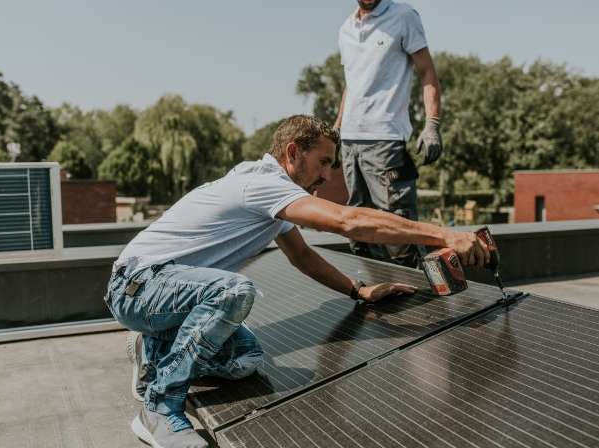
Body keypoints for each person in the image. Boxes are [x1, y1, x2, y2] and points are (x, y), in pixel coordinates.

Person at [104, 115, 488, 448]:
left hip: (159, 292)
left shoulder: (268, 193)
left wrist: (359, 290)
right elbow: (348, 221)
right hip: (137, 285)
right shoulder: (263, 183)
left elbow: (302, 256)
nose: (326, 175)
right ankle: (158, 408)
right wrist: (442, 235)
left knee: (248, 359)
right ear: (292, 152)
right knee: (233, 291)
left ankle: (154, 345)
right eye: (323, 162)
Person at [334, 0, 443, 267]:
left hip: (385, 140)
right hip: (350, 142)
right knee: (358, 229)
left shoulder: (403, 16)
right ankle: (377, 297)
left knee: (398, 229)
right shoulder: (346, 28)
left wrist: (432, 124)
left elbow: (427, 71)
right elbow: (352, 85)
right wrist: (336, 129)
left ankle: (415, 301)